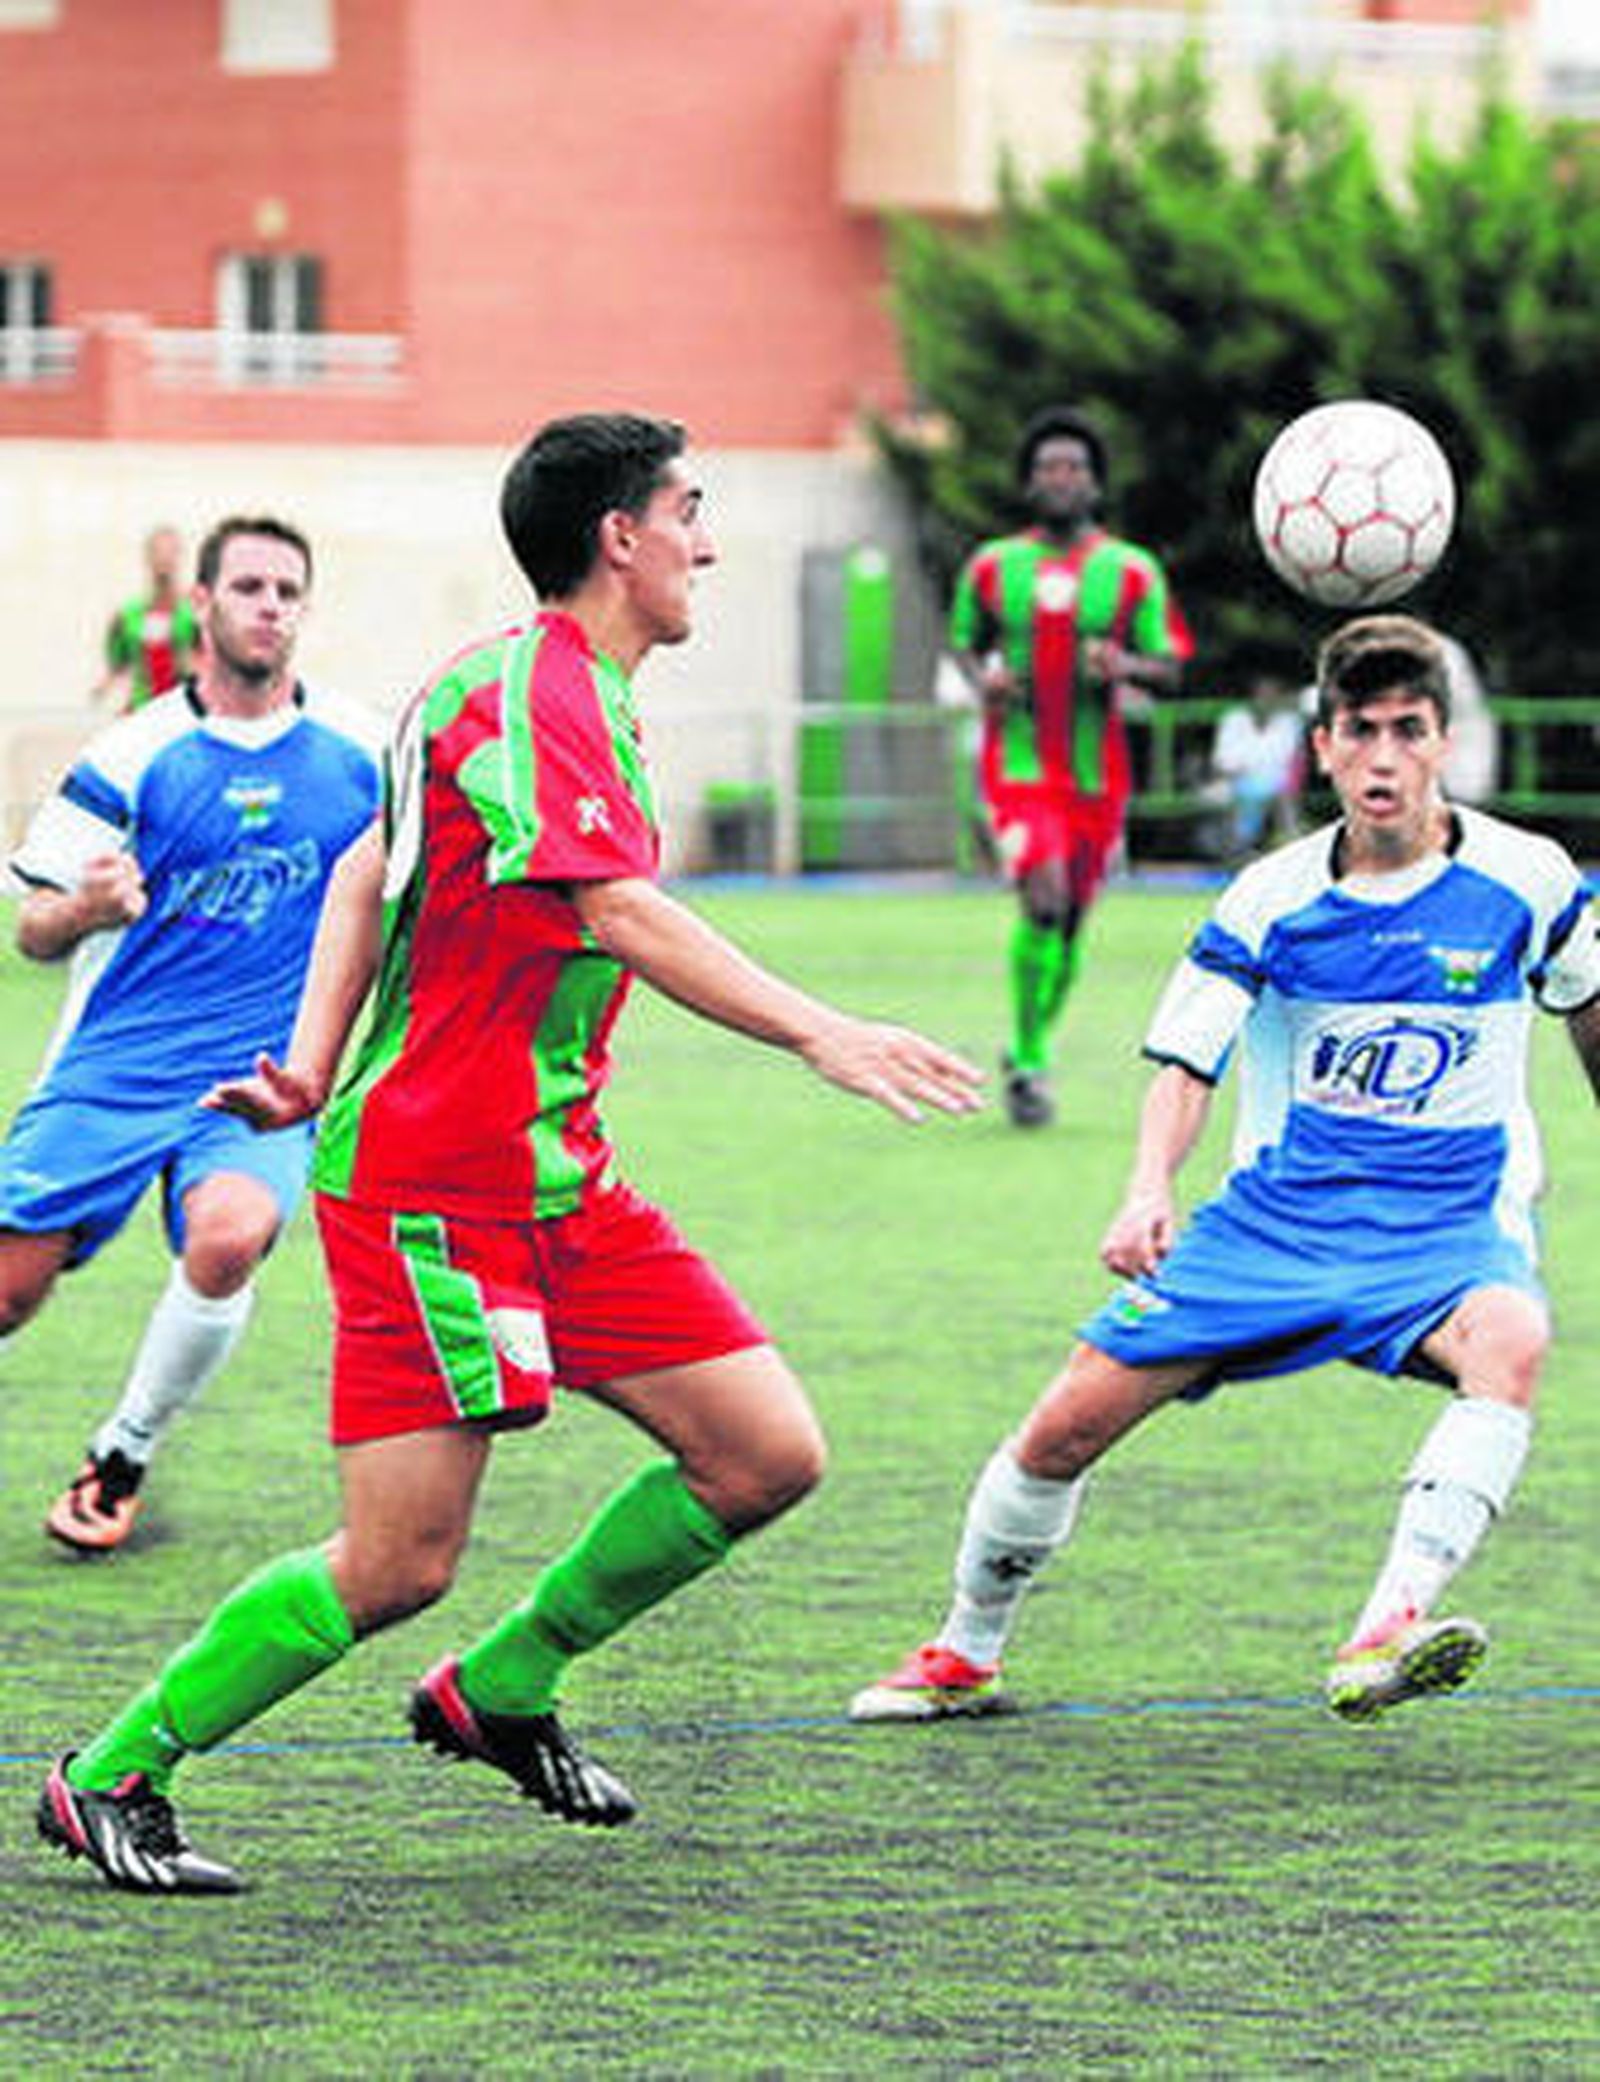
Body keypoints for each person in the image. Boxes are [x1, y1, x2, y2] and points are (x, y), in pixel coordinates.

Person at [36, 411, 984, 1896]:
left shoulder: (534, 685)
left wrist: (309, 1054)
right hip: (430, 1188)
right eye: (689, 510)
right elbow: (617, 911)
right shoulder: (540, 688)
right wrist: (820, 1030)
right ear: (619, 536)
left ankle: (505, 1686)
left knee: (762, 1453)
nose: (709, 541)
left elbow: (363, 869)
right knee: (399, 1560)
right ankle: (110, 1772)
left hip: (559, 1177)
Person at [851, 613, 1600, 1727]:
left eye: (1407, 730)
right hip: (1275, 1227)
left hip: (1444, 1224)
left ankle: (1385, 1626)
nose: (1384, 757)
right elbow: (1186, 1061)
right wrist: (1148, 1186)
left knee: (1512, 1340)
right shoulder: (1269, 898)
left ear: (1442, 741)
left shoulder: (1529, 881)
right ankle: (965, 1649)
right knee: (1063, 1425)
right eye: (1360, 732)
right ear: (1323, 749)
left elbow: (1584, 1008)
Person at [4, 516, 382, 1552]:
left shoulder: (359, 753)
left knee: (228, 1240)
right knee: (8, 1292)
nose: (270, 605)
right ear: (203, 605)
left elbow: (404, 895)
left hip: (258, 1076)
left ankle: (121, 1453)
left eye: (288, 590)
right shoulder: (133, 751)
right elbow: (34, 929)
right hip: (113, 1068)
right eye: (249, 586)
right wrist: (86, 907)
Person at [947, 405, 1192, 1129]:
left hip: (1096, 773)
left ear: (1095, 484)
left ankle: (1032, 1043)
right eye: (1048, 467)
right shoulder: (995, 565)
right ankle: (1028, 1061)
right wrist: (982, 677)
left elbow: (1171, 664)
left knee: (1073, 922)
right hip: (1018, 763)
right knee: (1045, 900)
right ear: (1029, 483)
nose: (1061, 477)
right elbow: (964, 641)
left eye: (1075, 467)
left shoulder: (1130, 571)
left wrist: (1124, 665)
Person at [96, 526, 200, 713]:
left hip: (183, 714)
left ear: (179, 557)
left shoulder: (195, 613)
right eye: (157, 552)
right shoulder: (127, 616)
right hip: (141, 711)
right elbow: (117, 666)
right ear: (147, 558)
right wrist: (104, 688)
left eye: (170, 553)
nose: (164, 560)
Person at [1209, 661, 1304, 861]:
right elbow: (1221, 764)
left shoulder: (1289, 722)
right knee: (1225, 795)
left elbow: (1293, 762)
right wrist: (1238, 776)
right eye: (1262, 694)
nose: (1266, 699)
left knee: (1284, 795)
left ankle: (1294, 855)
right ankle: (1236, 852)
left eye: (1272, 694)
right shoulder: (1234, 719)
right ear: (1253, 696)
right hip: (1236, 782)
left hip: (1275, 784)